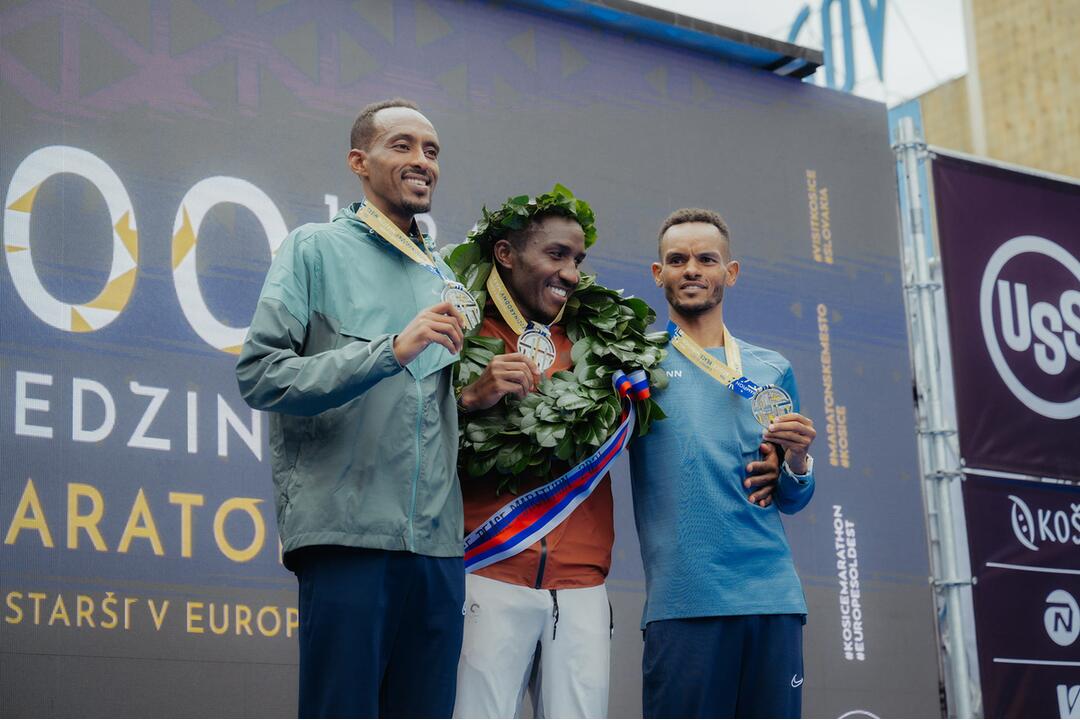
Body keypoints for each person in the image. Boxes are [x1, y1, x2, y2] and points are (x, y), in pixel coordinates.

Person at [449, 192, 782, 719]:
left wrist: (793, 465)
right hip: (489, 567)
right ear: (507, 254)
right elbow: (417, 436)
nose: (571, 273)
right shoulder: (461, 333)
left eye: (577, 260)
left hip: (582, 579)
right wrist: (469, 398)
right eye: (556, 255)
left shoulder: (604, 346)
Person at [236, 98, 467, 718]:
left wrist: (481, 392)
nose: (422, 160)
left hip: (438, 548)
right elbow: (262, 376)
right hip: (347, 536)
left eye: (432, 150)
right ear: (359, 162)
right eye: (403, 145)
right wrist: (390, 349)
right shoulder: (313, 248)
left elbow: (432, 410)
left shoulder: (448, 275)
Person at [629, 208, 818, 719]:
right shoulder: (633, 363)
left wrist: (797, 459)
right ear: (658, 273)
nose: (691, 269)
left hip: (772, 598)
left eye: (706, 259)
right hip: (685, 601)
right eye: (677, 259)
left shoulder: (772, 367)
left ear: (729, 273)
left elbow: (792, 496)